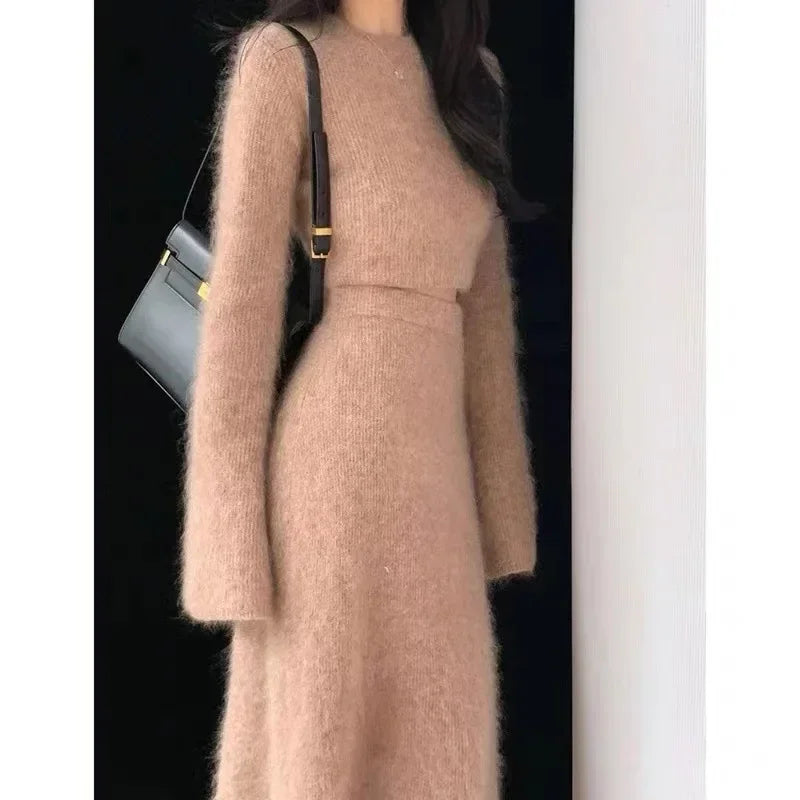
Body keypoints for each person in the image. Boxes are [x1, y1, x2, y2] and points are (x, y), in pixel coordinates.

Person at [180, 1, 538, 797]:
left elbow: (486, 319)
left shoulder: (471, 81)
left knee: (443, 751)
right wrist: (227, 549)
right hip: (326, 490)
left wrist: (502, 516)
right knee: (320, 748)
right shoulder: (284, 61)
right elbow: (240, 315)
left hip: (437, 497)